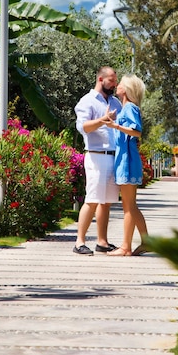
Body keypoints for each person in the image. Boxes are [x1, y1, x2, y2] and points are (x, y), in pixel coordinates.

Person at [73, 66, 122, 255]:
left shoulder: (116, 102)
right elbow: (83, 127)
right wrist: (103, 119)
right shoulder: (87, 101)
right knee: (92, 199)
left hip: (113, 156)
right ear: (101, 79)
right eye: (111, 80)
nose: (114, 83)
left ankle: (102, 242)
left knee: (106, 202)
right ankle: (79, 242)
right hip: (96, 156)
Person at [106, 74, 149, 257]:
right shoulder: (125, 108)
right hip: (125, 159)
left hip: (127, 160)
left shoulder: (130, 107)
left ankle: (126, 247)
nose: (117, 86)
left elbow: (137, 131)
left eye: (121, 84)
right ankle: (147, 242)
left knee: (128, 207)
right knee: (131, 205)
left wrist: (115, 126)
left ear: (127, 89)